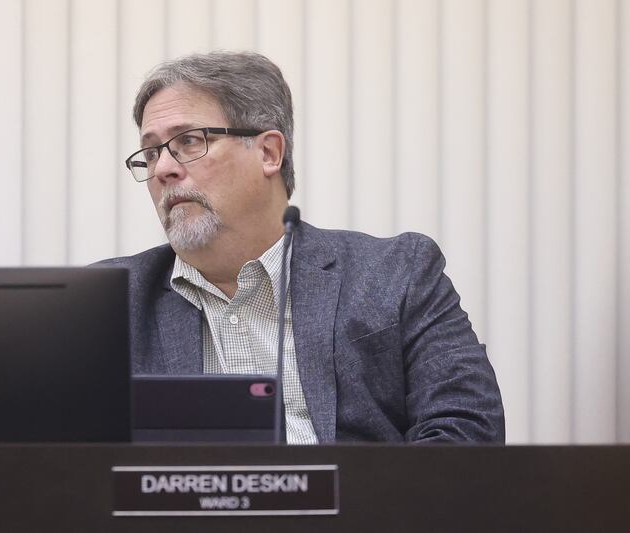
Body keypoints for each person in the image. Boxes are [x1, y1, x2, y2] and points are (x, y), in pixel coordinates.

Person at [102, 51, 504, 444]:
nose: (162, 169)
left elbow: (469, 431)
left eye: (189, 141)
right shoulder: (110, 302)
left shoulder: (397, 273)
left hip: (360, 491)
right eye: (150, 153)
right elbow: (75, 459)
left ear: (268, 153)